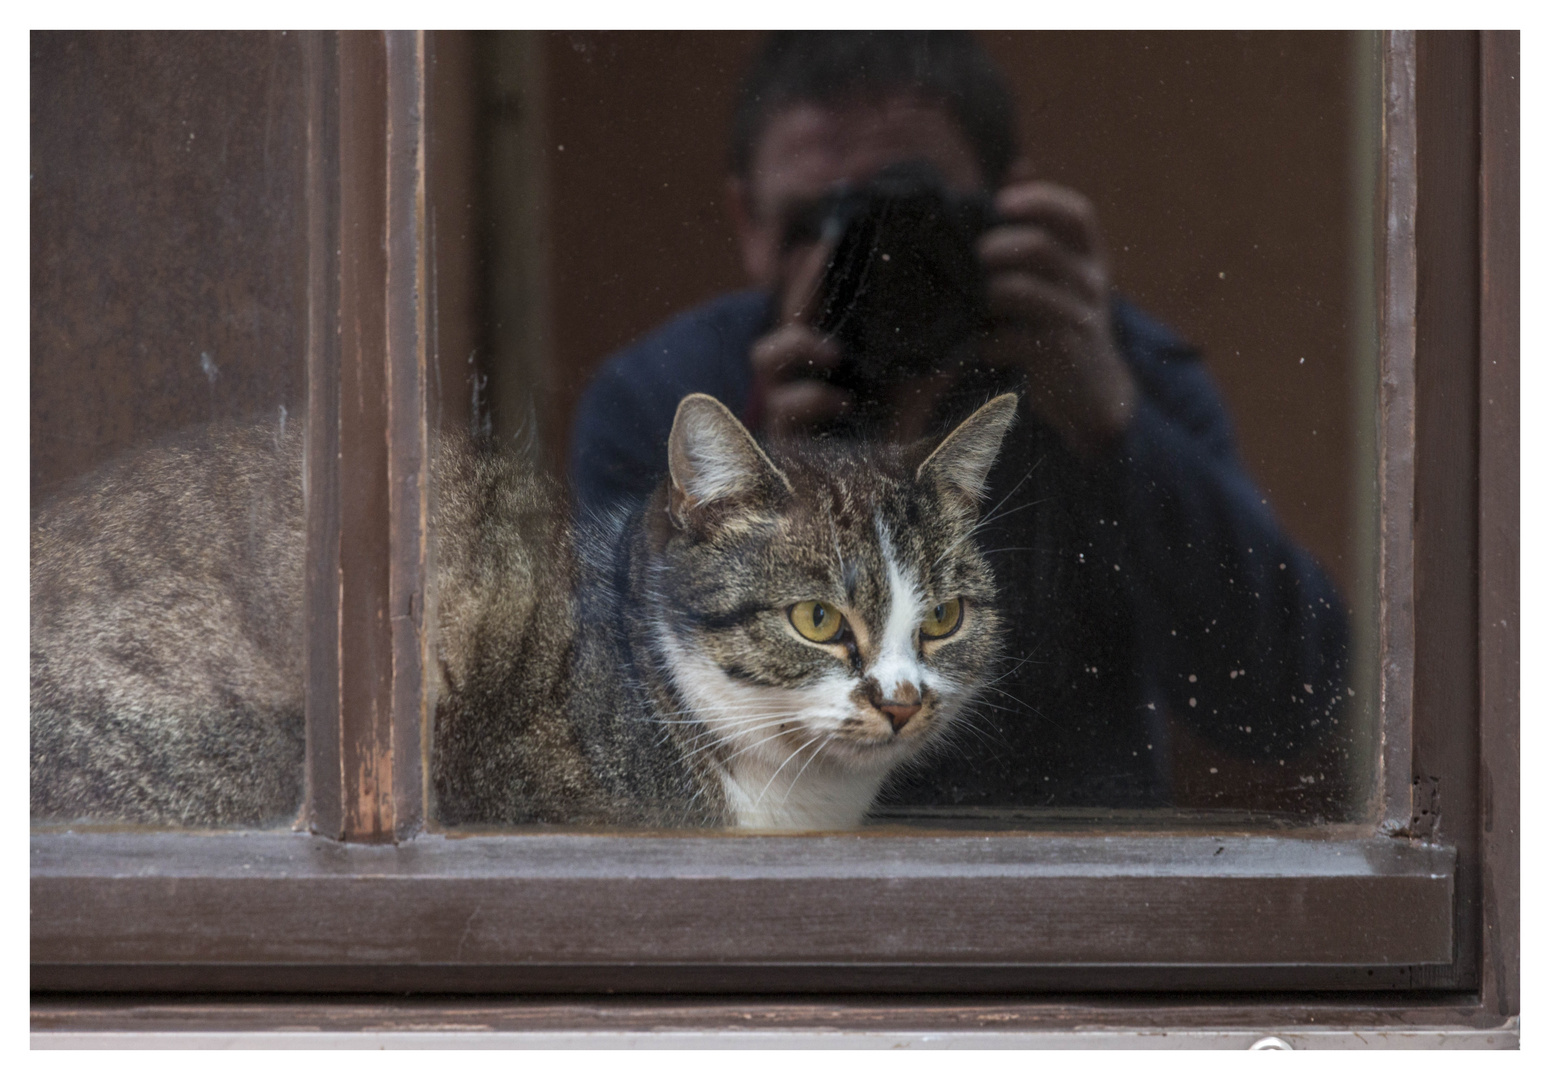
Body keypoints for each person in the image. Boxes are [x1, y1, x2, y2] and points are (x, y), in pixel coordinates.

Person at [568, 32, 1350, 809]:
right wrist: (756, 510)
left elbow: (1291, 706)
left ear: (1005, 204)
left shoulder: (1100, 367)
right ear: (748, 223)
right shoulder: (669, 395)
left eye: (911, 216)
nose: (874, 259)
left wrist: (1120, 434)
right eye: (822, 224)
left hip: (1063, 894)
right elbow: (611, 739)